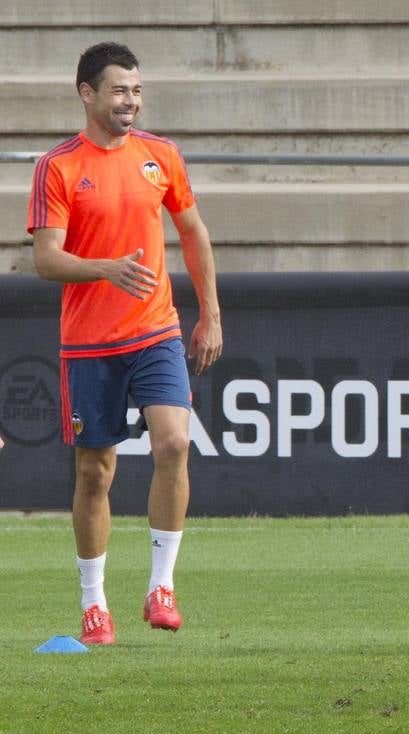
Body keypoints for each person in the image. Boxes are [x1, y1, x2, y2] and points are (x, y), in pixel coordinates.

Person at [28, 42, 222, 645]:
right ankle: (94, 604)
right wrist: (105, 269)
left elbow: (192, 230)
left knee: (173, 443)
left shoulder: (160, 156)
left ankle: (161, 587)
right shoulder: (57, 166)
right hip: (88, 343)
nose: (130, 101)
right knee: (95, 472)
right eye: (118, 90)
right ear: (87, 93)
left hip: (155, 329)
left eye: (136, 90)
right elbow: (46, 259)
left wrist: (210, 313)